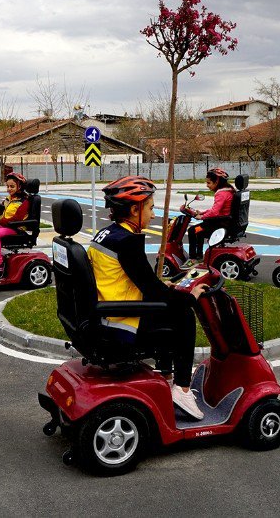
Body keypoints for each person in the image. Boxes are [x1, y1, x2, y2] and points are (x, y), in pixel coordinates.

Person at [88, 175, 208, 420]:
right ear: (134, 210)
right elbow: (152, 291)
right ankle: (183, 389)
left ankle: (166, 376)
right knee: (183, 315)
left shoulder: (107, 234)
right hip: (121, 323)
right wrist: (191, 297)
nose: (153, 215)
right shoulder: (127, 241)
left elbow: (134, 279)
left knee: (167, 308)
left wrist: (161, 286)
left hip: (108, 313)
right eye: (150, 208)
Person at [186, 168, 236, 263]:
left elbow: (215, 212)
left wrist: (201, 217)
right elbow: (216, 210)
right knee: (199, 230)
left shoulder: (221, 193)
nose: (207, 185)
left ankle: (192, 258)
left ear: (216, 181)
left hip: (218, 225)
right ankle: (199, 256)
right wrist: (202, 212)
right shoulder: (229, 191)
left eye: (209, 183)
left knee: (193, 230)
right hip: (224, 222)